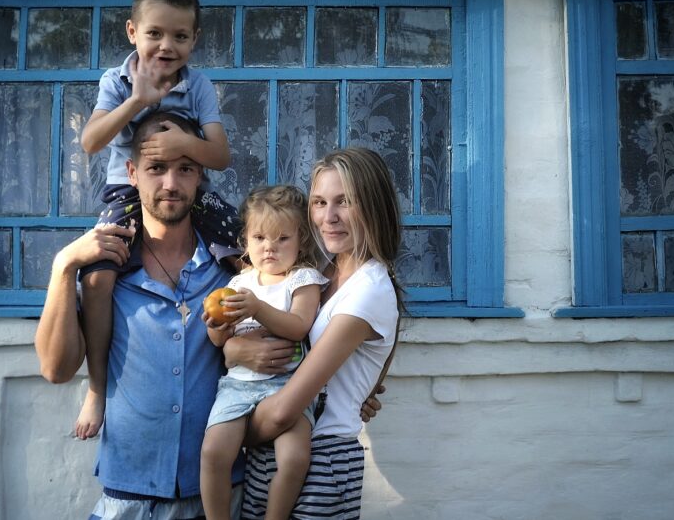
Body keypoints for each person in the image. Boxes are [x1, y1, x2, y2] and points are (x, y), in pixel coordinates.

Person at [35, 111, 245, 520]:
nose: (170, 183)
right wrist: (63, 265)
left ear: (200, 175)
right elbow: (56, 369)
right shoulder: (105, 272)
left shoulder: (231, 266)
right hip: (129, 500)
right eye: (156, 169)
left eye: (185, 169)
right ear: (132, 173)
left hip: (222, 498)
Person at [74, 0, 240, 440]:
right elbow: (91, 141)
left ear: (194, 39)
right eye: (155, 33)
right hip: (128, 194)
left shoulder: (199, 84)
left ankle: (255, 361)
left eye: (180, 36)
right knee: (99, 276)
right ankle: (97, 387)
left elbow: (221, 156)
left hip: (190, 188)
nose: (167, 46)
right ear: (132, 32)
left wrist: (185, 143)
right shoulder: (116, 80)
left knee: (245, 252)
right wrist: (137, 101)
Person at [225, 147, 403, 520]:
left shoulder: (368, 289)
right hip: (275, 451)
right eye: (319, 202)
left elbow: (285, 410)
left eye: (345, 202)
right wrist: (235, 352)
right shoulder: (319, 274)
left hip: (321, 458)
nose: (328, 217)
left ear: (372, 205)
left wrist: (222, 432)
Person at [200, 186, 328, 520]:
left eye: (282, 238)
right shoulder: (240, 283)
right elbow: (218, 341)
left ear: (301, 241)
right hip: (238, 386)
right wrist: (214, 323)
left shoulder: (303, 280)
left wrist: (256, 308)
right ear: (246, 241)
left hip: (288, 386)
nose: (269, 247)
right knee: (214, 453)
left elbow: (299, 326)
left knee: (296, 459)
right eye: (259, 237)